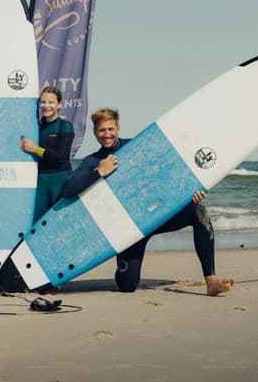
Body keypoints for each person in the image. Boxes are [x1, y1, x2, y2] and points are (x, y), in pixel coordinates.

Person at [61, 107, 234, 296]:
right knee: (128, 286)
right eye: (102, 130)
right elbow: (68, 189)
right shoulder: (93, 161)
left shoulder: (137, 147)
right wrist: (99, 171)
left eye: (111, 129)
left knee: (199, 212)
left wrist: (193, 191)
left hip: (157, 215)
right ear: (95, 133)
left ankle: (211, 281)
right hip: (130, 230)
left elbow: (169, 167)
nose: (107, 134)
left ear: (118, 128)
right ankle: (123, 269)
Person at [20, 86, 75, 222]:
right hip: (41, 181)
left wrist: (35, 149)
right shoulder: (35, 127)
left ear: (59, 104)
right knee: (37, 223)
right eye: (43, 102)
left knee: (60, 222)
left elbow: (60, 158)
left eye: (51, 102)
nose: (46, 106)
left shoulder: (65, 126)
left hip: (60, 180)